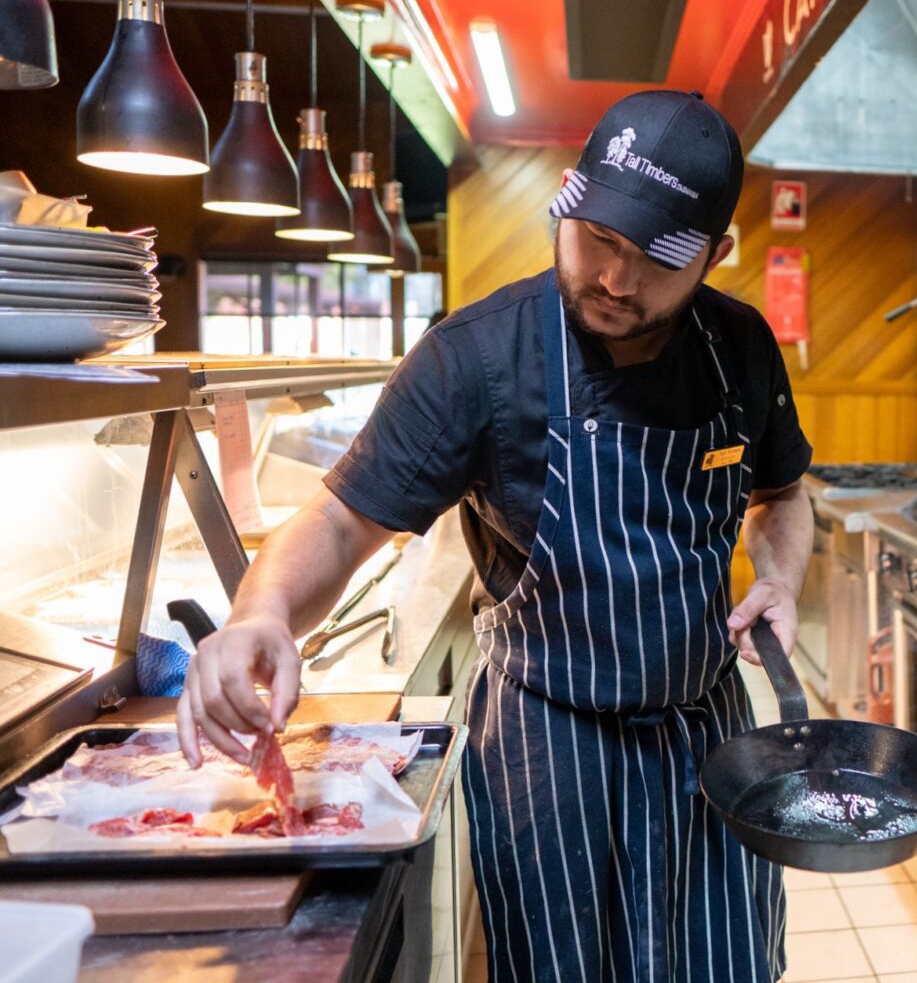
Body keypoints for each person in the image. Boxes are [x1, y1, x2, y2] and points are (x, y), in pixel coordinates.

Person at [177, 89, 814, 983]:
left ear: (719, 253)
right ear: (566, 197)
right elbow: (339, 517)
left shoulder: (738, 345)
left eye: (660, 258)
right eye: (599, 238)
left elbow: (781, 494)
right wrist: (263, 612)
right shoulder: (475, 357)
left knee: (725, 961)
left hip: (704, 730)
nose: (617, 280)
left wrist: (780, 579)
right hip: (547, 739)